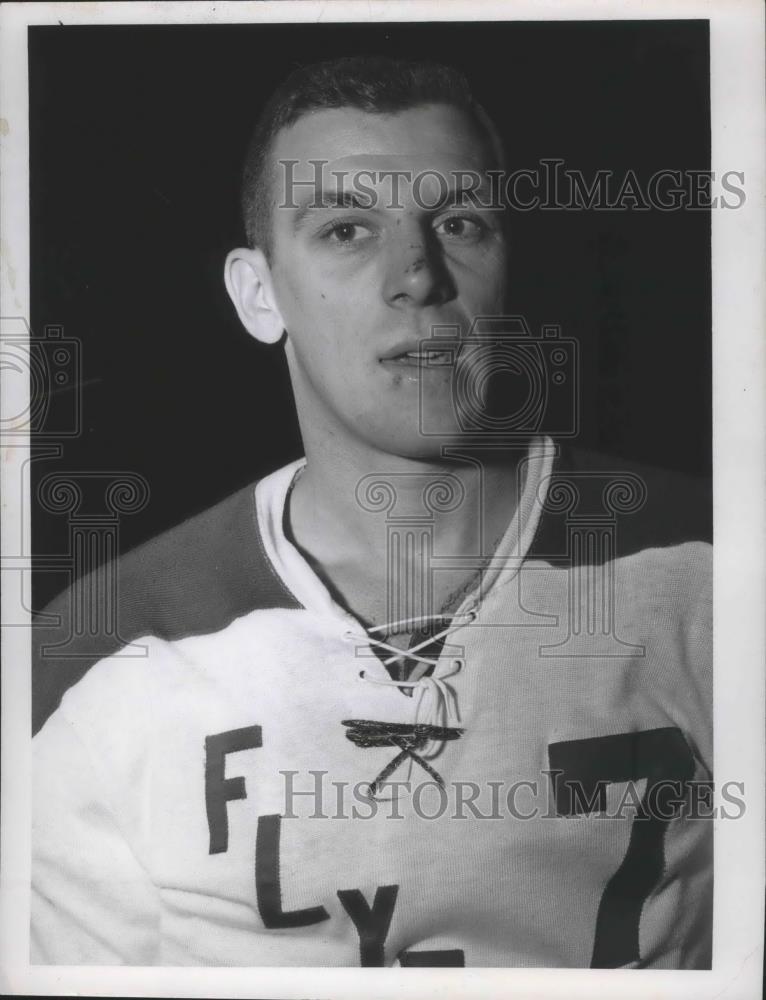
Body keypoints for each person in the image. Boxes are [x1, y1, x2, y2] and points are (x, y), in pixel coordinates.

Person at [31, 55, 712, 968]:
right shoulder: (98, 655)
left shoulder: (714, 573)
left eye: (460, 222)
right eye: (347, 229)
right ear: (257, 293)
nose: (416, 276)